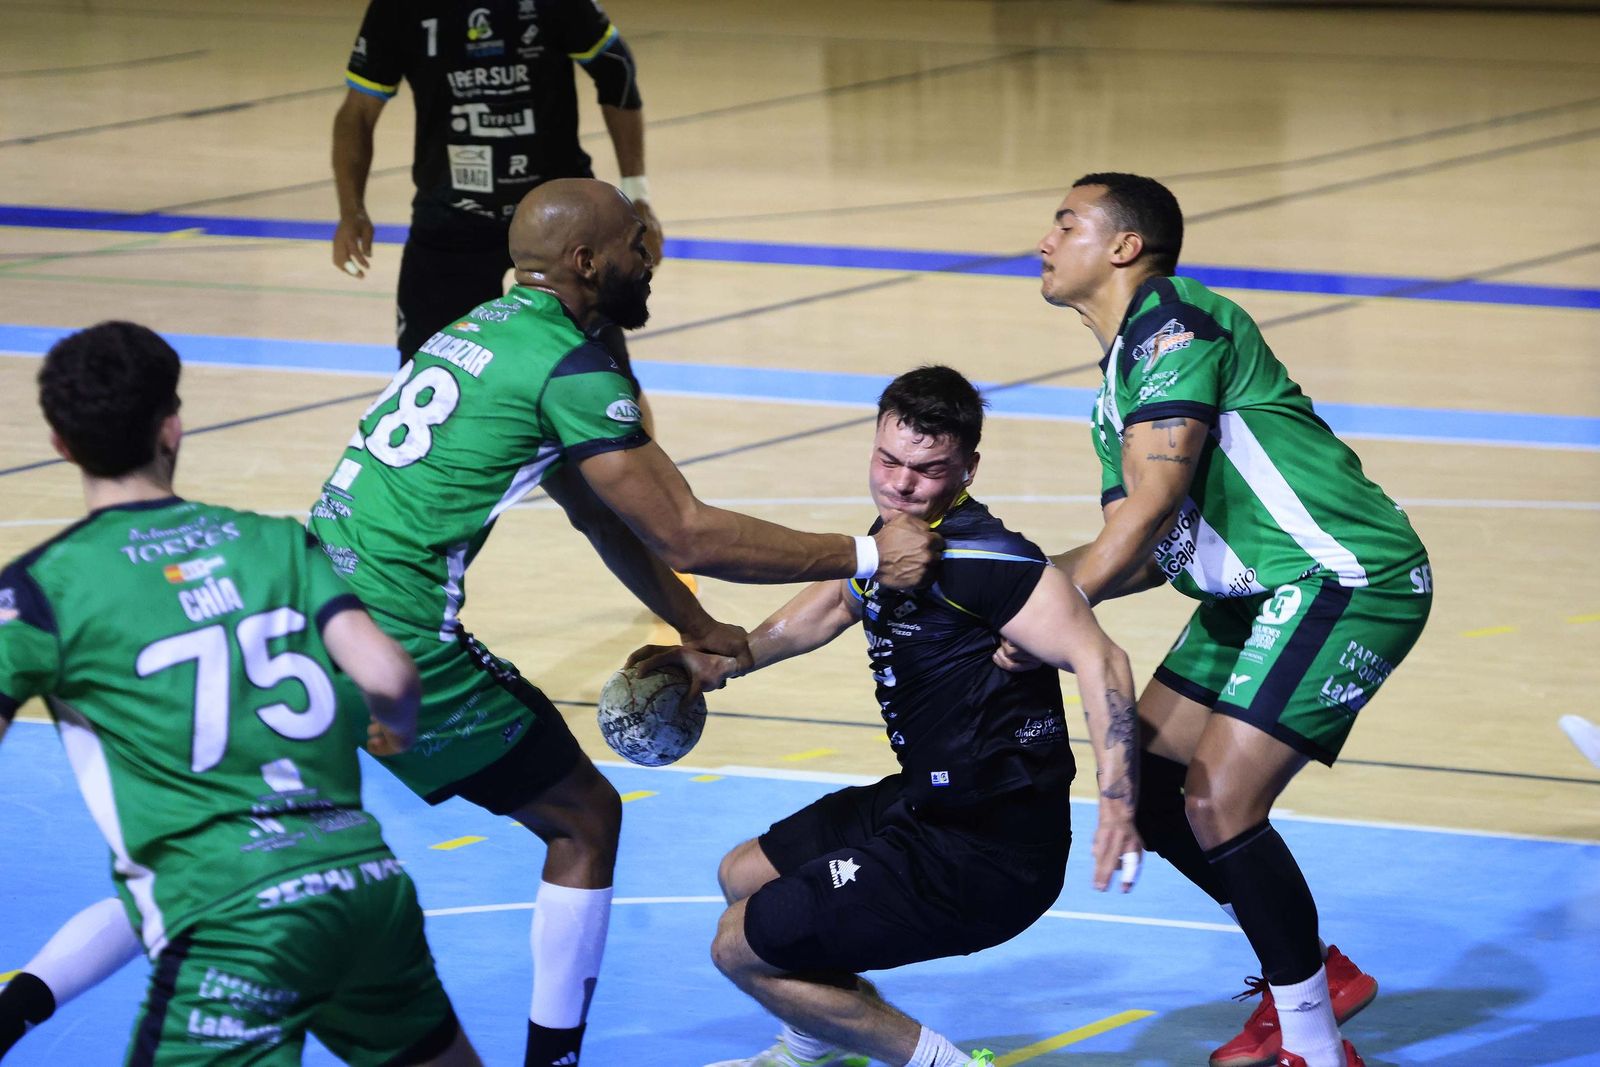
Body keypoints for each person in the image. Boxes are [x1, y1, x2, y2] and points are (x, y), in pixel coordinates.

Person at [0, 180, 940, 1067]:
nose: (647, 258)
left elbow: (593, 506)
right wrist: (866, 555)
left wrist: (691, 620)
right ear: (583, 261)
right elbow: (682, 526)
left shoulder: (480, 331)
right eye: (630, 245)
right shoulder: (570, 363)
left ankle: (21, 1002)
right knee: (584, 816)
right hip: (395, 632)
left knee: (226, 844)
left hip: (302, 610)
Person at [1023, 172, 1434, 1067]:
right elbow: (1135, 552)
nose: (1044, 240)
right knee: (1159, 787)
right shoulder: (1115, 383)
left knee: (1219, 796)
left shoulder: (1176, 323)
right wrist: (1001, 594)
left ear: (1125, 246)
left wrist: (1040, 611)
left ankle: (1317, 1049)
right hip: (1253, 597)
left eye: (1065, 223)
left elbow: (1150, 504)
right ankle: (1313, 975)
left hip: (1343, 576)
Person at [632, 366, 1143, 1067]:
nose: (900, 483)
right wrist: (729, 659)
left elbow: (1103, 661)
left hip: (990, 848)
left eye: (927, 470)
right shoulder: (894, 537)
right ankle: (813, 1045)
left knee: (737, 945)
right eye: (888, 459)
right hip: (925, 803)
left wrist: (1118, 804)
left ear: (968, 467)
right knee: (744, 874)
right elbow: (838, 601)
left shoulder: (994, 564)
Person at [0, 322, 481, 1066]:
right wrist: (394, 728)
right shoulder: (277, 541)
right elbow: (390, 677)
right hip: (364, 884)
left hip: (234, 919)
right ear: (173, 426)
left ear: (61, 444)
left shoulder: (39, 591)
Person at [332, 0, 664, 417]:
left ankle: (639, 478)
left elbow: (615, 66)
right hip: (451, 219)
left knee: (608, 388)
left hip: (559, 225)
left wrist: (637, 195)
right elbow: (357, 113)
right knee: (429, 386)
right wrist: (352, 211)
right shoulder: (400, 8)